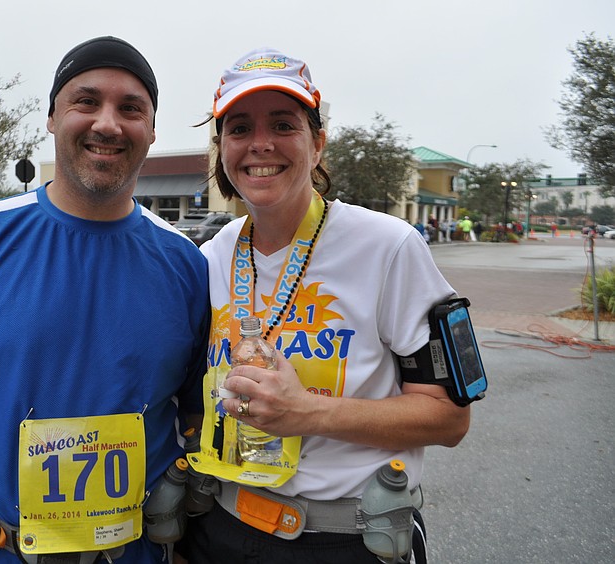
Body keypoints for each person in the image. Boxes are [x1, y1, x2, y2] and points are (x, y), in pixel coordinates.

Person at [0, 36, 209, 563]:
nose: (108, 123)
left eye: (131, 108)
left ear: (152, 129)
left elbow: (193, 412)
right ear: (52, 117)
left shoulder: (186, 263)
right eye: (86, 102)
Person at [176, 48, 470, 564]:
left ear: (317, 143)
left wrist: (307, 412)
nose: (260, 144)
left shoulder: (388, 246)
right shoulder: (210, 256)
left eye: (283, 124)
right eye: (240, 128)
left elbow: (449, 418)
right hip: (220, 528)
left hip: (344, 539)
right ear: (222, 147)